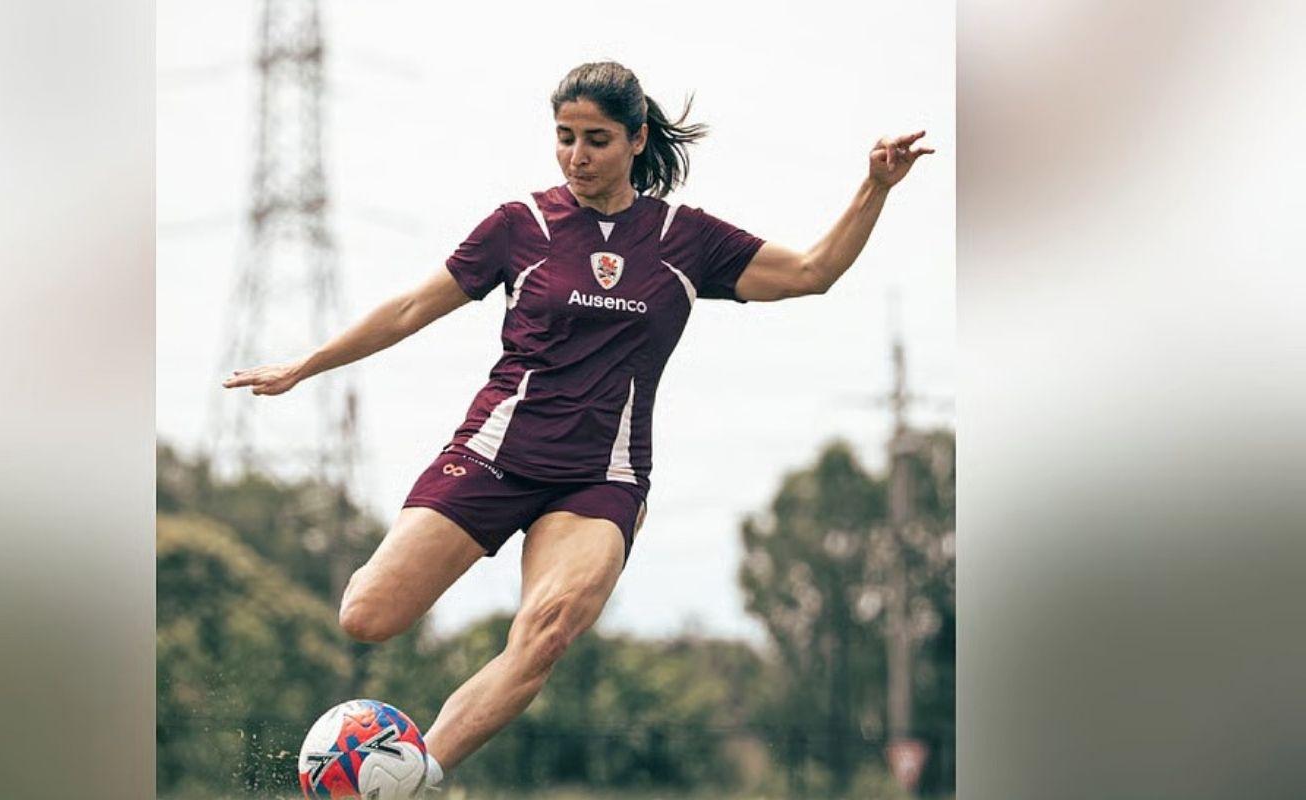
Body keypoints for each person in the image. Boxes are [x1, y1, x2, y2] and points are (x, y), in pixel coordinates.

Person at [223, 60, 933, 790]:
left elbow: (813, 271)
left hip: (600, 479)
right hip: (494, 455)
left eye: (596, 139)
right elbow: (410, 308)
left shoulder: (683, 239)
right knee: (366, 615)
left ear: (636, 139)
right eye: (565, 137)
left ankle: (413, 776)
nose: (577, 156)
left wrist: (874, 187)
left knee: (546, 633)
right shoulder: (519, 226)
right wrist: (305, 365)